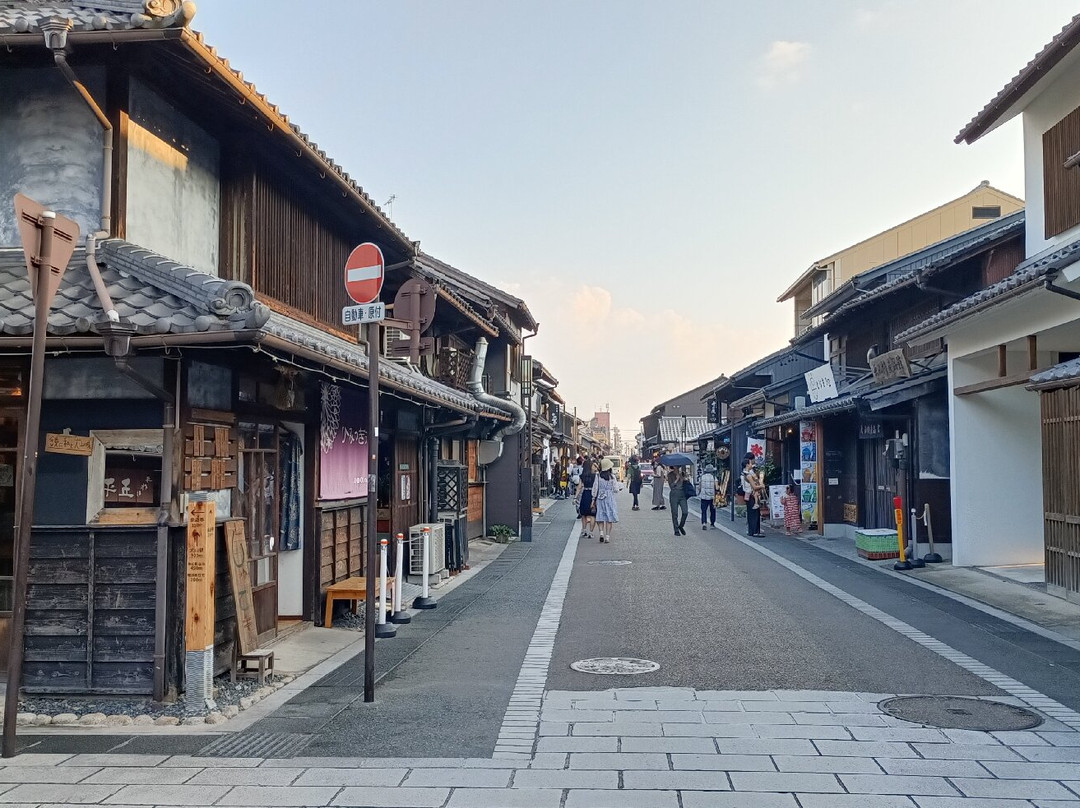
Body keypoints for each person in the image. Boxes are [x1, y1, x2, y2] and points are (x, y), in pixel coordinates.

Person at [594, 458, 619, 543]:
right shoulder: (612, 477)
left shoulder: (598, 476)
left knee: (600, 516)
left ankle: (601, 533)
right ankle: (607, 537)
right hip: (609, 498)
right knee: (609, 518)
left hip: (600, 498)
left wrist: (593, 498)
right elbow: (616, 489)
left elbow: (595, 488)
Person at [741, 455, 765, 538]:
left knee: (751, 513)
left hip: (747, 495)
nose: (752, 464)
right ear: (747, 464)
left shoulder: (743, 473)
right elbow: (754, 486)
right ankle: (755, 531)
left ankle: (751, 531)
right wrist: (761, 485)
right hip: (752, 495)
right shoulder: (748, 474)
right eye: (751, 463)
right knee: (754, 513)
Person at [578, 460, 598, 539]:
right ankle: (591, 532)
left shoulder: (582, 475)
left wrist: (575, 497)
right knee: (592, 514)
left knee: (584, 514)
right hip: (593, 494)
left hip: (585, 493)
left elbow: (579, 487)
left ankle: (584, 530)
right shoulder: (595, 476)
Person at [668, 465, 689, 536]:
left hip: (682, 494)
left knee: (685, 512)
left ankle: (681, 525)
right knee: (675, 513)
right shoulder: (670, 475)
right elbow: (671, 486)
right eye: (676, 466)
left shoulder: (682, 473)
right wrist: (676, 479)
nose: (677, 467)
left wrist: (684, 478)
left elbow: (686, 484)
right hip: (674, 494)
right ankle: (676, 529)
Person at [698, 464, 718, 530]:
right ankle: (712, 524)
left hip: (703, 496)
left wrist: (700, 492)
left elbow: (699, 487)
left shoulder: (702, 477)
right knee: (712, 510)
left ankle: (704, 523)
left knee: (703, 510)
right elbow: (717, 487)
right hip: (712, 497)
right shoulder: (714, 477)